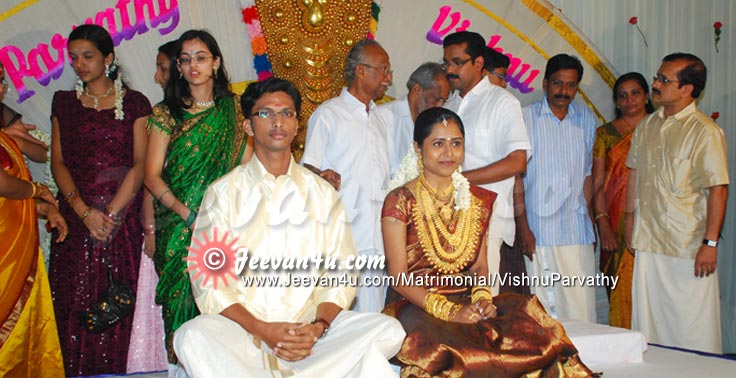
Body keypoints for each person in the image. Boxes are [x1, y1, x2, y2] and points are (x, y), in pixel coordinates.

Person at [174, 77, 405, 377]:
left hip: (311, 337)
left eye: (287, 113)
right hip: (244, 335)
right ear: (248, 126)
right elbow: (209, 280)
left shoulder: (322, 194)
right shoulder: (223, 193)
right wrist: (262, 329)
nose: (278, 122)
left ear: (297, 126)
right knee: (192, 336)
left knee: (387, 330)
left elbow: (343, 273)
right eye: (266, 113)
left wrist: (318, 328)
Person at [382, 107, 592, 377]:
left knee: (527, 329)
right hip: (416, 304)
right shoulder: (400, 200)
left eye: (456, 143)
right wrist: (451, 312)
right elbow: (399, 277)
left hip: (467, 298)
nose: (448, 153)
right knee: (453, 349)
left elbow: (480, 266)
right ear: (418, 148)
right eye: (438, 144)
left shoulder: (476, 200)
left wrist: (482, 297)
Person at [144, 29, 253, 365]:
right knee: (181, 302)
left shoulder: (235, 110)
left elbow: (247, 165)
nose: (193, 65)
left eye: (201, 57)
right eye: (186, 59)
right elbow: (150, 175)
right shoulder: (165, 113)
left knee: (225, 303)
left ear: (216, 63)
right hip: (177, 223)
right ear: (178, 66)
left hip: (225, 223)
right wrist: (187, 214)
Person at [48, 24, 151, 375]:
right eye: (73, 57)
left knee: (119, 300)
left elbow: (140, 164)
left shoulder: (136, 103)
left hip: (121, 220)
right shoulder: (63, 102)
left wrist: (108, 214)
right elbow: (57, 162)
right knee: (73, 303)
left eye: (87, 56)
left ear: (108, 58)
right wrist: (81, 210)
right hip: (75, 221)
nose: (79, 64)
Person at [625, 53, 729, 353]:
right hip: (647, 239)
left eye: (663, 80)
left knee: (691, 327)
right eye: (657, 77)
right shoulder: (647, 125)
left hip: (688, 247)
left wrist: (710, 244)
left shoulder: (704, 131)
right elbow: (635, 174)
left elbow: (718, 189)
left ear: (687, 89)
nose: (655, 85)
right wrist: (630, 221)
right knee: (650, 325)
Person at [302, 39, 393, 312]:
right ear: (361, 71)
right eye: (384, 69)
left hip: (377, 234)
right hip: (344, 235)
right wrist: (323, 175)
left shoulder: (380, 118)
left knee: (373, 313)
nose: (388, 78)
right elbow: (306, 170)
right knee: (339, 314)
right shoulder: (329, 115)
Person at [442, 31, 531, 296]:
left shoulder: (503, 102)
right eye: (446, 63)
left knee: (481, 301)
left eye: (457, 62)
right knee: (451, 304)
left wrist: (462, 179)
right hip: (447, 219)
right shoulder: (451, 104)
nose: (450, 70)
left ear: (478, 63)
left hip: (486, 220)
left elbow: (518, 162)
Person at [0, 58, 67, 378]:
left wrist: (46, 209)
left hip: (17, 252)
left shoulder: (3, 137)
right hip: (5, 261)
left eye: (2, 81)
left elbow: (9, 199)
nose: (1, 89)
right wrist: (38, 189)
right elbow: (4, 186)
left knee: (24, 341)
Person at [522, 53, 598, 322]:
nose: (564, 91)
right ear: (544, 83)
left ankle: (584, 362)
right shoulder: (525, 118)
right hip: (539, 230)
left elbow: (587, 174)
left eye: (571, 85)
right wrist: (523, 227)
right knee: (544, 312)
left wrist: (592, 221)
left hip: (577, 229)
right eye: (557, 83)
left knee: (582, 308)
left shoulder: (586, 120)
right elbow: (517, 178)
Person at [126, 40, 178, 374]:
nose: (157, 76)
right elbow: (150, 178)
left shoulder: (210, 115)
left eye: (162, 68)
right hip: (165, 223)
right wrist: (150, 228)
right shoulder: (160, 117)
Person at [592, 72, 654, 329]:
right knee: (619, 288)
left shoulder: (659, 128)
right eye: (623, 96)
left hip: (653, 220)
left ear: (647, 96)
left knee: (651, 289)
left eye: (635, 93)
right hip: (615, 222)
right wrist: (602, 223)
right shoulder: (605, 133)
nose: (629, 100)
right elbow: (597, 182)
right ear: (616, 101)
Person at [378, 62, 450, 176]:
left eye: (443, 101)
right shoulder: (383, 117)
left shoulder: (437, 124)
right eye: (436, 99)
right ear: (417, 90)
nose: (439, 106)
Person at [0, 62, 49, 163]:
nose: (1, 89)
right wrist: (4, 139)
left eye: (1, 82)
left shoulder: (2, 111)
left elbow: (44, 155)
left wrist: (14, 141)